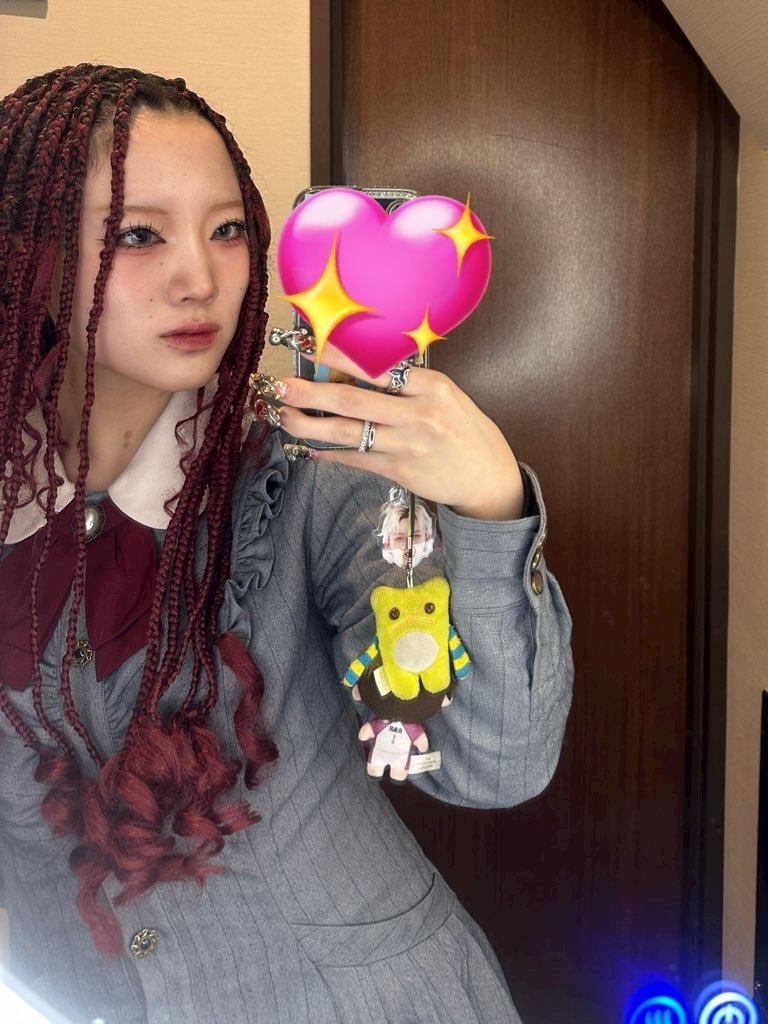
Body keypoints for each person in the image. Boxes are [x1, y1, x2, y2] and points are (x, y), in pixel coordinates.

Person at [0, 64, 574, 1024]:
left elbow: (493, 762)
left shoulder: (305, 475)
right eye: (139, 234)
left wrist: (488, 508)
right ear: (30, 255)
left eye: (228, 229)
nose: (201, 279)